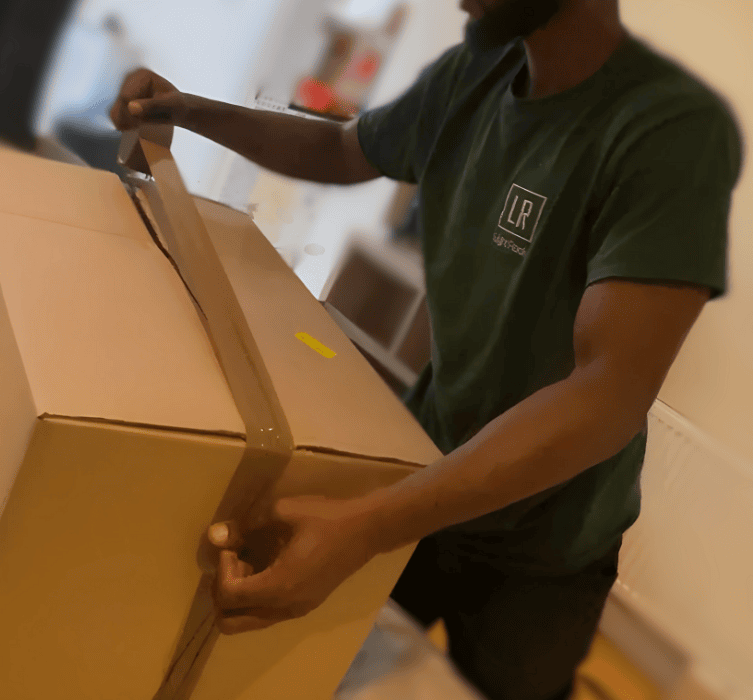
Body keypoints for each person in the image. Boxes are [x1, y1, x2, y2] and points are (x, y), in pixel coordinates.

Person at [110, 0, 743, 698]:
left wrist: (369, 524)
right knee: (329, 668)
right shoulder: (475, 72)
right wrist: (189, 110)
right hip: (427, 464)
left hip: (544, 545)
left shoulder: (670, 130)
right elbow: (341, 150)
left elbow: (608, 393)